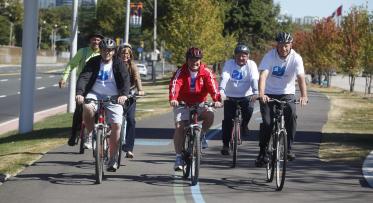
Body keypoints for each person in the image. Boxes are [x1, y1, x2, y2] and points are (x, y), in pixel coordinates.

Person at [75, 38, 130, 171]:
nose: (107, 53)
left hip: (114, 96)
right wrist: (80, 93)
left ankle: (112, 159)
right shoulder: (93, 62)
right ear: (100, 50)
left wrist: (123, 94)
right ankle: (91, 132)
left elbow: (125, 79)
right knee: (87, 107)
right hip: (94, 93)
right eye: (104, 50)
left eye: (110, 50)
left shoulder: (118, 63)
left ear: (114, 51)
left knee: (117, 124)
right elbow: (84, 77)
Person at [255, 32, 308, 166]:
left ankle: (288, 148)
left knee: (292, 116)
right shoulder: (270, 56)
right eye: (281, 45)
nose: (283, 48)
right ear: (276, 45)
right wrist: (261, 94)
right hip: (269, 93)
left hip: (287, 94)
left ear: (291, 45)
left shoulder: (296, 58)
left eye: (286, 45)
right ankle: (263, 151)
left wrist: (304, 96)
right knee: (267, 123)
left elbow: (301, 78)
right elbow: (263, 76)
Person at [169, 47, 223, 171]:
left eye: (197, 60)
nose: (194, 62)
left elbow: (213, 87)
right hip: (183, 104)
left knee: (210, 115)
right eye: (192, 59)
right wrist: (174, 98)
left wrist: (217, 100)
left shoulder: (206, 72)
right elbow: (175, 85)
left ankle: (202, 134)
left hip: (200, 104)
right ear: (187, 60)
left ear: (200, 60)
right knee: (179, 127)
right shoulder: (181, 71)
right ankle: (178, 157)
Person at [59, 33, 104, 146]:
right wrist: (64, 78)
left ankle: (97, 133)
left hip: (99, 83)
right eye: (94, 39)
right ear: (90, 41)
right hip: (84, 83)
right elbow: (71, 64)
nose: (96, 42)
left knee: (101, 108)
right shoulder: (83, 52)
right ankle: (74, 135)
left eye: (98, 40)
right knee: (79, 109)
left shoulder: (104, 53)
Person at [219, 43, 259, 155]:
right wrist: (221, 90)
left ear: (248, 56)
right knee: (227, 120)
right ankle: (225, 145)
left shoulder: (251, 65)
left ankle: (244, 124)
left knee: (249, 110)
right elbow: (225, 77)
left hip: (246, 95)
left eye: (244, 55)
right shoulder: (229, 64)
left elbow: (254, 79)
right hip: (230, 96)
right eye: (239, 55)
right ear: (235, 56)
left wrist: (256, 92)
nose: (241, 58)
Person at [116, 42, 145, 159]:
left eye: (127, 53)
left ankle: (129, 148)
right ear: (119, 54)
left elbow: (137, 78)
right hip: (116, 95)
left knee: (131, 120)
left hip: (130, 95)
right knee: (114, 120)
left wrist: (140, 90)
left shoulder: (132, 65)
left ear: (130, 55)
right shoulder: (115, 65)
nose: (125, 55)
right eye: (123, 53)